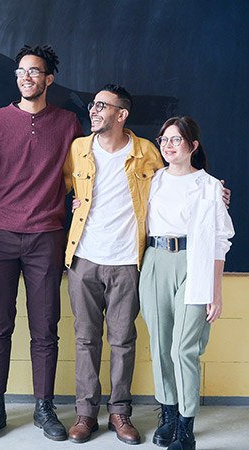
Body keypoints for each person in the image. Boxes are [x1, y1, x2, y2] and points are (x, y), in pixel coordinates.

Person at [0, 45, 83, 441]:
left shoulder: (68, 123)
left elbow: (83, 174)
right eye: (21, 71)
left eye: (34, 71)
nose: (26, 77)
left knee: (45, 327)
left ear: (48, 78)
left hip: (47, 235)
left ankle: (44, 407)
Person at [64, 85, 163, 445]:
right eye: (93, 104)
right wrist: (72, 203)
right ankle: (86, 414)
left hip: (127, 261)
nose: (93, 110)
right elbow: (58, 187)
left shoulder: (146, 152)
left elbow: (173, 187)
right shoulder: (79, 148)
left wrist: (213, 192)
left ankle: (120, 412)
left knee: (123, 340)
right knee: (86, 339)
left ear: (121, 114)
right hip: (84, 259)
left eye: (102, 106)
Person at [139, 117, 233, 450]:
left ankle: (185, 425)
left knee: (183, 348)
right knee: (160, 345)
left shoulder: (210, 186)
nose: (168, 145)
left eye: (176, 140)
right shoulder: (151, 180)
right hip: (155, 261)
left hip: (195, 264)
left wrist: (215, 293)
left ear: (193, 145)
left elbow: (220, 240)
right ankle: (167, 413)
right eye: (164, 139)